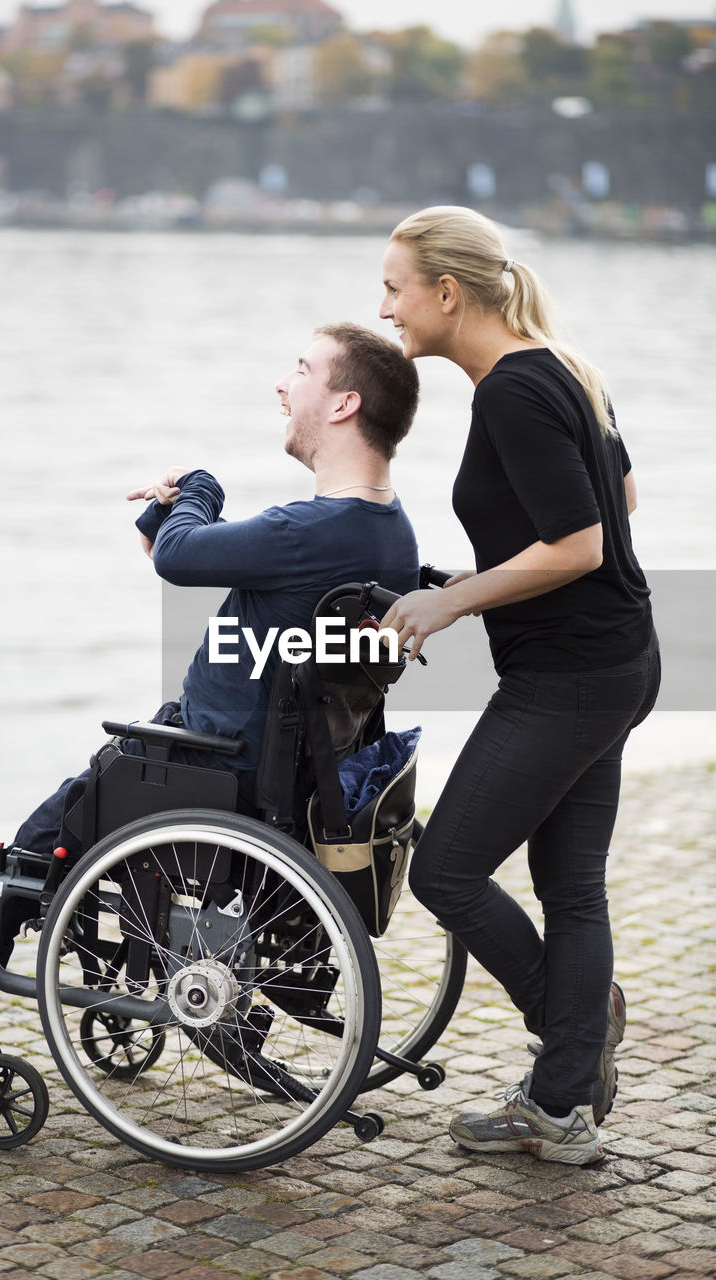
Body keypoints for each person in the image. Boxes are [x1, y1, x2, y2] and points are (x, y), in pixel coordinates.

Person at [0, 321, 420, 1039]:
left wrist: (197, 485)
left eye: (301, 370)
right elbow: (185, 546)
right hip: (278, 760)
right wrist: (175, 515)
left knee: (38, 845)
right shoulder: (381, 528)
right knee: (57, 818)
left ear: (342, 404)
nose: (282, 385)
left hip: (215, 765)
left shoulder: (306, 531)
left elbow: (177, 556)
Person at [378, 206, 660, 1166]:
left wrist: (452, 607)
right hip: (616, 658)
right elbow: (616, 503)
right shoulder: (558, 368)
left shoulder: (511, 389)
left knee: (446, 869)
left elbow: (579, 542)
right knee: (570, 885)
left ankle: (571, 1058)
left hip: (571, 676)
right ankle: (559, 1103)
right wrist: (478, 577)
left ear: (446, 293)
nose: (386, 310)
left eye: (394, 288)